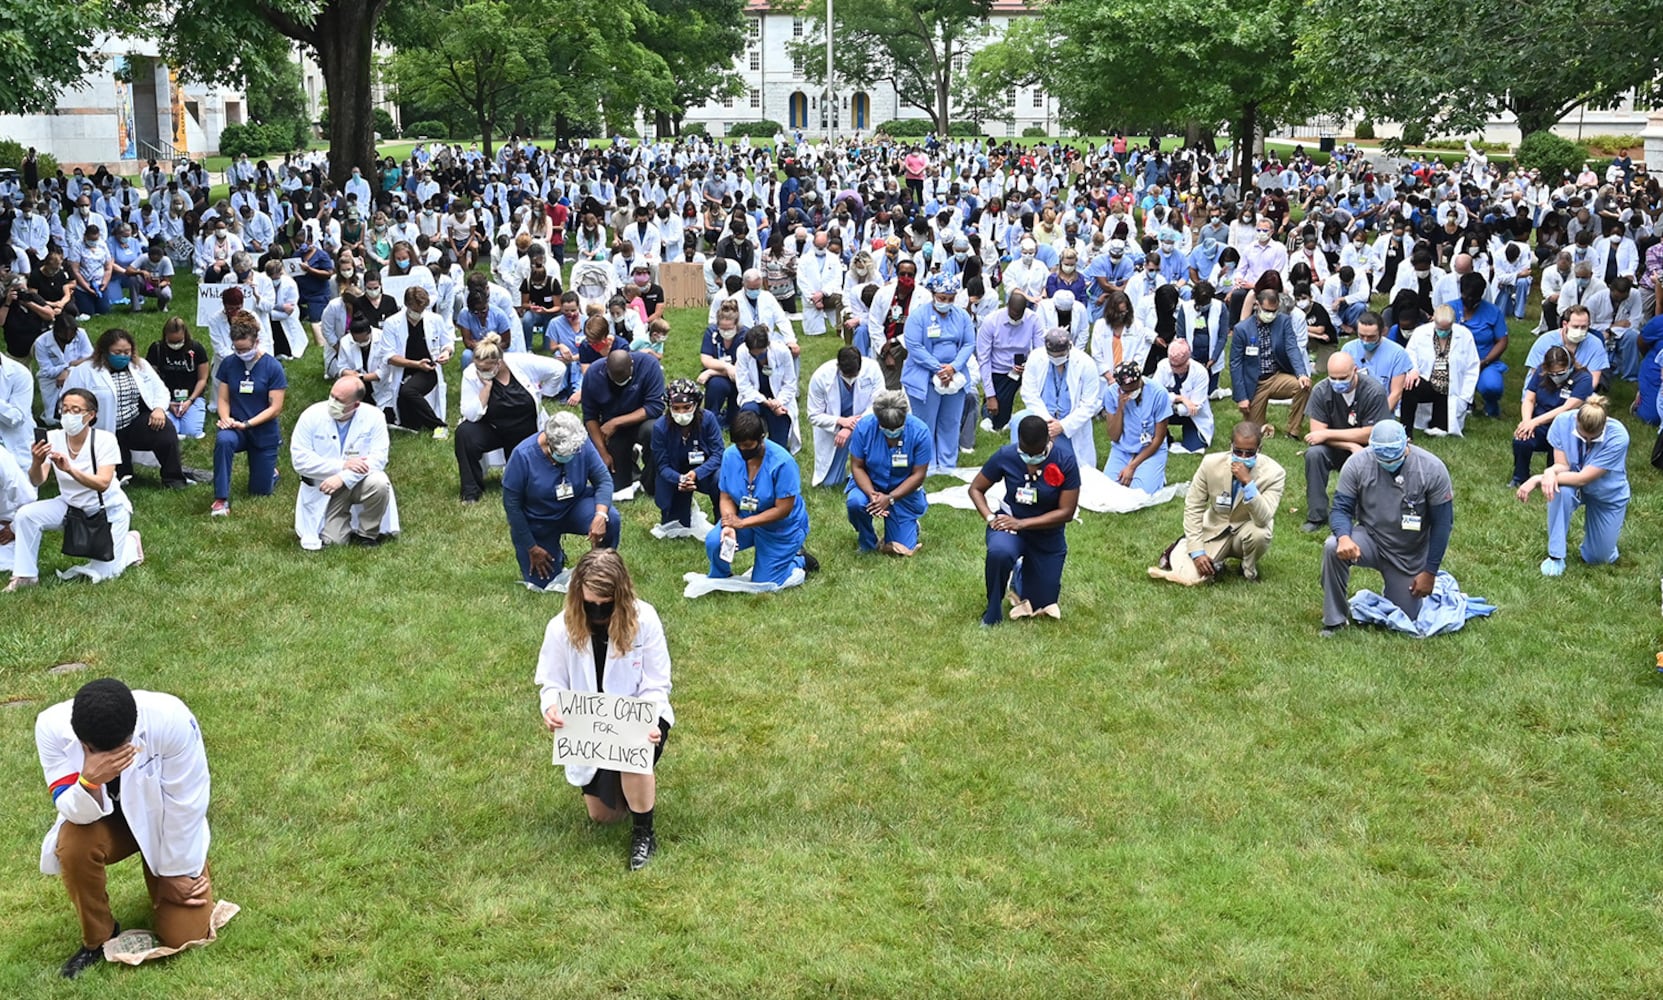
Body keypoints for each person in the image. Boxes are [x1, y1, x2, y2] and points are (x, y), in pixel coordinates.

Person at [34, 679, 213, 979]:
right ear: (83, 742)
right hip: (102, 824)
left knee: (184, 937)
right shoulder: (50, 727)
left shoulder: (171, 718)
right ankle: (98, 937)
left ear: (133, 731)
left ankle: (172, 877)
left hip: (163, 824)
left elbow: (187, 803)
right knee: (73, 844)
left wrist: (175, 873)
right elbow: (70, 809)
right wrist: (90, 781)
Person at [535, 549, 672, 870]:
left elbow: (656, 682)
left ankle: (644, 832)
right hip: (589, 726)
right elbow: (551, 682)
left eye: (606, 605)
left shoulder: (646, 620)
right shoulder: (560, 627)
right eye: (590, 604)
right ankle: (630, 791)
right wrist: (551, 709)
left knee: (633, 750)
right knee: (604, 816)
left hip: (639, 716)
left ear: (620, 596)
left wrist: (647, 721)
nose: (598, 612)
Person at [1320, 420, 1455, 636]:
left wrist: (1430, 572)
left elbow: (1443, 524)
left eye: (1394, 458)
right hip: (1371, 538)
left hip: (1409, 553)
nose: (1389, 463)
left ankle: (1397, 588)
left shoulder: (1432, 469)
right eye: (1382, 458)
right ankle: (1334, 620)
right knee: (1332, 546)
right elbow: (1340, 509)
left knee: (1406, 619)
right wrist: (1344, 537)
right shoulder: (1357, 464)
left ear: (1406, 443)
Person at [8, 389, 142, 589]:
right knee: (26, 515)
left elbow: (103, 483)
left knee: (105, 576)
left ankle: (130, 543)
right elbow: (37, 480)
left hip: (107, 510)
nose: (69, 415)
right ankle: (25, 575)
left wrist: (70, 469)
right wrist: (37, 462)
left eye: (76, 410)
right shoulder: (52, 438)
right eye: (65, 409)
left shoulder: (105, 440)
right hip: (70, 505)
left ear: (91, 415)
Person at [969, 415, 1081, 625]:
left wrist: (1023, 524)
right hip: (1010, 527)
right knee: (999, 552)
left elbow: (1066, 512)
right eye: (1024, 452)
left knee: (1041, 603)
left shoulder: (1065, 461)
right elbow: (976, 488)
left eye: (1036, 454)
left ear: (1049, 441)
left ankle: (1020, 575)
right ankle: (992, 610)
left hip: (1047, 533)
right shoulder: (1006, 455)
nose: (1030, 458)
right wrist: (990, 517)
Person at [1150, 422, 1285, 584]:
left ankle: (1247, 569)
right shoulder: (1210, 464)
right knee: (1193, 578)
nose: (1242, 457)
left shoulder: (1275, 473)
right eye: (1237, 451)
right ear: (1231, 446)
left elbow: (1263, 518)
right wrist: (1197, 552)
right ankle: (1180, 547)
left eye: (1249, 453)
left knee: (1261, 532)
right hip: (1214, 530)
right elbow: (1194, 506)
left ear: (1259, 450)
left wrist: (1249, 485)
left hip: (1246, 531)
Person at [503, 411, 620, 591]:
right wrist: (531, 547)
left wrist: (600, 515)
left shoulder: (581, 443)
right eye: (566, 453)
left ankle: (602, 564)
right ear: (549, 443)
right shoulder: (522, 456)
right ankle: (555, 553)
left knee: (611, 518)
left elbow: (603, 480)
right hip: (538, 520)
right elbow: (512, 506)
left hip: (574, 507)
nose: (572, 456)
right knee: (543, 584)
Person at [1514, 394, 1629, 576]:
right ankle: (1556, 556)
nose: (1589, 442)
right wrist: (1550, 472)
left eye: (1594, 438)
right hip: (1571, 484)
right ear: (1576, 420)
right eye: (1584, 437)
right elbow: (1562, 466)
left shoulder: (1619, 436)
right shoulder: (1562, 422)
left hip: (1607, 492)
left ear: (1604, 425)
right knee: (1560, 489)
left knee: (1598, 559)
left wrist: (1537, 478)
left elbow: (1583, 478)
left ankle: (1602, 546)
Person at [63, 328, 190, 489]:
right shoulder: (85, 371)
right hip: (103, 430)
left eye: (127, 352)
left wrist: (158, 409)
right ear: (105, 351)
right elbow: (69, 397)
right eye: (117, 352)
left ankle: (174, 479)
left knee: (165, 431)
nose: (123, 356)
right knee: (121, 476)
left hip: (133, 424)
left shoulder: (140, 366)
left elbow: (161, 390)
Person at [703, 409, 811, 587]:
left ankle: (799, 559)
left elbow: (783, 509)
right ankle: (722, 574)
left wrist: (743, 524)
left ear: (762, 438)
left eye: (749, 446)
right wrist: (729, 524)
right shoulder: (730, 455)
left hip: (781, 528)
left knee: (764, 584)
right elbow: (726, 496)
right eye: (740, 446)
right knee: (715, 541)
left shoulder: (783, 462)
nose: (744, 451)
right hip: (746, 518)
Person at [455, 334, 567, 504]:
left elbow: (558, 369)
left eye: (486, 369)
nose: (481, 372)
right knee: (464, 432)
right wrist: (486, 388)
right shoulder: (471, 374)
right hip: (494, 429)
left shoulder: (521, 362)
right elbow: (470, 414)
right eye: (478, 367)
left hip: (526, 433)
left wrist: (545, 393)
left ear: (499, 363)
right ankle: (471, 491)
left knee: (529, 487)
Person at [290, 375, 397, 550]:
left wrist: (343, 477)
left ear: (356, 405)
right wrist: (340, 466)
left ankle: (367, 534)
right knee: (334, 542)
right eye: (332, 396)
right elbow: (300, 460)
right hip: (323, 487)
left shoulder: (374, 416)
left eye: (339, 400)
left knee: (379, 482)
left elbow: (378, 458)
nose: (332, 402)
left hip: (358, 482)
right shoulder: (311, 415)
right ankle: (338, 526)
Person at [1299, 352, 1393, 532]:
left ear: (1355, 371)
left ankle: (1364, 512)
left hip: (1367, 449)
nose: (1337, 382)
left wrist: (1328, 435)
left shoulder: (1374, 391)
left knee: (1373, 456)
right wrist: (1350, 444)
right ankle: (1316, 516)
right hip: (1336, 448)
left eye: (1342, 378)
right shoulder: (1321, 390)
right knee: (1314, 454)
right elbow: (1316, 435)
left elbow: (1372, 433)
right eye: (1332, 378)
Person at [209, 313, 286, 517]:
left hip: (262, 430)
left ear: (256, 342)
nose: (241, 353)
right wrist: (226, 418)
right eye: (237, 349)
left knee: (260, 491)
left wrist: (248, 424)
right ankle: (221, 498)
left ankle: (271, 473)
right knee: (223, 440)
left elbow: (275, 408)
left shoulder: (272, 367)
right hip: (236, 429)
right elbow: (223, 398)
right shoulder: (228, 364)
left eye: (246, 348)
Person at [902, 272, 976, 475]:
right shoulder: (919, 316)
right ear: (933, 294)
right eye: (942, 298)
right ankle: (927, 464)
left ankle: (946, 463)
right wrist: (937, 368)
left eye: (950, 299)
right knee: (926, 422)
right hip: (924, 376)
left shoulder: (961, 316)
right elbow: (914, 346)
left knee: (950, 421)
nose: (946, 303)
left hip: (954, 375)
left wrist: (953, 367)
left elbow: (969, 343)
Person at [846, 389, 931, 556]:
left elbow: (918, 475)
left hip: (903, 491)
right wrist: (872, 495)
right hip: (869, 484)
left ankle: (911, 525)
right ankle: (867, 541)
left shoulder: (920, 432)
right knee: (855, 503)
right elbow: (857, 466)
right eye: (886, 428)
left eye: (896, 428)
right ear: (877, 419)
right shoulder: (864, 427)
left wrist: (890, 498)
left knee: (900, 550)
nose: (891, 432)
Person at [581, 348, 666, 501]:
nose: (620, 382)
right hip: (612, 431)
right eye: (615, 379)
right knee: (617, 485)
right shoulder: (593, 374)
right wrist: (602, 452)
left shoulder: (649, 365)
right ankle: (631, 465)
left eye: (625, 378)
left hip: (642, 421)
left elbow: (655, 407)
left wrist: (616, 422)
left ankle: (648, 479)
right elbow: (589, 416)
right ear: (606, 367)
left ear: (632, 364)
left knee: (654, 430)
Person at [1229, 287, 1311, 439]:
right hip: (1255, 383)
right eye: (1267, 310)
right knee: (1254, 432)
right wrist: (1241, 397)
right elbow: (1235, 364)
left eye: (1274, 311)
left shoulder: (1284, 321)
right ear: (1257, 305)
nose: (1270, 314)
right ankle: (1264, 426)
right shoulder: (1242, 329)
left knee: (1303, 386)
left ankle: (1293, 431)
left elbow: (1292, 347)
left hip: (1276, 377)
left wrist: (1301, 374)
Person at [1015, 326, 1102, 468]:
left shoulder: (1086, 364)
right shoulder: (1036, 357)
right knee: (1019, 419)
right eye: (1053, 356)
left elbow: (1089, 404)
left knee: (1068, 469)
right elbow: (1029, 393)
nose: (1056, 359)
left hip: (1071, 426)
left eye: (1060, 355)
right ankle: (1021, 463)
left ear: (1069, 347)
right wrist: (1047, 422)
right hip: (1042, 419)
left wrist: (1062, 426)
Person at [378, 286, 453, 438]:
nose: (418, 313)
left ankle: (439, 427)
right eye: (415, 309)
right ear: (406, 305)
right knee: (410, 422)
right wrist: (415, 364)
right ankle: (421, 421)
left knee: (408, 391)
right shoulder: (392, 323)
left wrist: (446, 353)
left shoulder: (435, 320)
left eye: (422, 309)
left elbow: (447, 343)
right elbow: (389, 356)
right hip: (403, 369)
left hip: (428, 369)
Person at [651, 378, 723, 532]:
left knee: (720, 478)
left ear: (696, 405)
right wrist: (681, 479)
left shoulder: (708, 419)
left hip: (704, 471)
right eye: (676, 408)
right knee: (675, 528)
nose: (681, 413)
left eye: (686, 407)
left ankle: (723, 519)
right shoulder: (660, 428)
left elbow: (718, 454)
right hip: (674, 474)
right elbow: (662, 466)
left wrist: (696, 474)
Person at [1512, 346, 1591, 486]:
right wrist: (1526, 422)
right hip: (1541, 425)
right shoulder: (1541, 372)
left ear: (1570, 365)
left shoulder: (1583, 378)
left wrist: (1534, 422)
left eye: (1560, 372)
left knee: (1556, 466)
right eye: (1552, 373)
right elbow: (1529, 399)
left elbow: (1566, 408)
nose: (1556, 376)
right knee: (1521, 439)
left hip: (1567, 429)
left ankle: (1554, 479)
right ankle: (1520, 477)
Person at [806, 346, 884, 488]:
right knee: (829, 483)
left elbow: (878, 404)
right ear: (838, 367)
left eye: (854, 375)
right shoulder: (821, 377)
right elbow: (813, 415)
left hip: (866, 422)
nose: (850, 379)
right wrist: (841, 421)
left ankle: (869, 475)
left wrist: (850, 427)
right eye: (847, 376)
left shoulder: (872, 369)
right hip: (834, 427)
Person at [1401, 304, 1480, 438]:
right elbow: (1410, 355)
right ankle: (1406, 431)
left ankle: (1441, 420)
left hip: (1450, 390)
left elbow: (1472, 367)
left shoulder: (1464, 336)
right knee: (1410, 387)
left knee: (1440, 430)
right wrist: (1413, 370)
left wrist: (1465, 397)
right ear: (1433, 321)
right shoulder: (1421, 333)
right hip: (1428, 383)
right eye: (1439, 328)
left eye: (1447, 328)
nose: (1443, 331)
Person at [975, 290, 1044, 434]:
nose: (1015, 319)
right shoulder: (991, 321)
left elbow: (1040, 352)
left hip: (1024, 367)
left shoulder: (1034, 320)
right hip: (998, 369)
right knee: (998, 417)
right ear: (1007, 306)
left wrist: (1029, 365)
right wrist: (990, 395)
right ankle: (989, 413)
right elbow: (984, 358)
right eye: (1012, 315)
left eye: (1019, 316)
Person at [1102, 361, 1169, 491]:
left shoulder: (1159, 393)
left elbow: (1159, 438)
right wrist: (1120, 408)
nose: (1130, 393)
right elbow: (1114, 436)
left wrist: (1131, 467)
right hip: (1123, 448)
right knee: (1108, 490)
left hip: (1151, 449)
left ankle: (1156, 476)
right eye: (1126, 390)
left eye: (1133, 388)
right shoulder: (1111, 394)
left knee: (1141, 492)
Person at [143, 317, 210, 441]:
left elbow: (202, 379)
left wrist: (189, 401)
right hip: (166, 398)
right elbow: (149, 379)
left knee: (192, 432)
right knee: (168, 430)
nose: (175, 345)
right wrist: (167, 404)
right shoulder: (157, 349)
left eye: (178, 341)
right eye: (171, 341)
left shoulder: (196, 348)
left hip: (192, 397)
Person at [735, 325, 799, 451]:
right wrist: (765, 402)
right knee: (748, 414)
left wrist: (778, 402)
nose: (759, 358)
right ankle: (750, 447)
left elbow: (790, 384)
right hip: (754, 398)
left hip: (779, 400)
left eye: (762, 354)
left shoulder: (782, 351)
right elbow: (743, 386)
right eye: (754, 355)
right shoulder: (742, 352)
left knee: (778, 447)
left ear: (768, 345)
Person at [1341, 311, 1411, 411]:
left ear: (1383, 332)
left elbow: (1396, 393)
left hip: (1382, 406)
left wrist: (1380, 415)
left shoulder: (1397, 353)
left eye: (1371, 337)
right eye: (1361, 335)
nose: (1365, 340)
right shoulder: (1348, 349)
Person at [1151, 339, 1212, 453]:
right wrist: (1180, 399)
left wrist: (1170, 402)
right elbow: (1154, 395)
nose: (1175, 368)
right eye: (1172, 364)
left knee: (1195, 447)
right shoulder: (1163, 366)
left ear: (1188, 359)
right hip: (1166, 412)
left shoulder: (1200, 372)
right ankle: (1165, 437)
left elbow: (1195, 407)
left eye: (1179, 365)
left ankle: (1191, 433)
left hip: (1193, 416)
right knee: (1152, 413)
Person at [35, 314, 94, 425]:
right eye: (63, 338)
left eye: (71, 338)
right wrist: (69, 365)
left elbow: (90, 359)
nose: (67, 339)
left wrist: (69, 370)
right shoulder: (41, 342)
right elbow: (47, 371)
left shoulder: (81, 334)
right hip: (51, 379)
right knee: (52, 419)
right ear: (55, 332)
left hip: (78, 372)